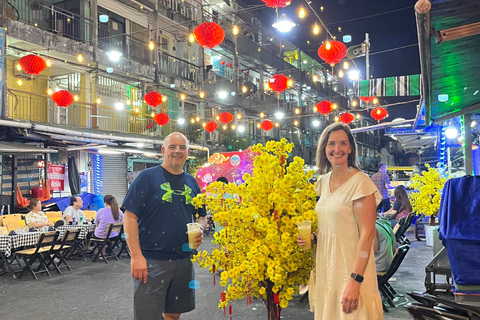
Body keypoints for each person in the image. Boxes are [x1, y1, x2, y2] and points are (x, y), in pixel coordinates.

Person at [297, 123, 383, 319]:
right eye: (332, 144)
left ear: (351, 148)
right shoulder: (322, 183)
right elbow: (333, 225)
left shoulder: (360, 184)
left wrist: (355, 280)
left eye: (343, 143)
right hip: (327, 271)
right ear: (324, 149)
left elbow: (367, 234)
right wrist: (313, 237)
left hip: (351, 271)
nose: (337, 149)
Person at [122, 132, 207, 320]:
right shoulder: (147, 177)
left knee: (173, 314)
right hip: (152, 260)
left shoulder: (192, 182)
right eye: (172, 147)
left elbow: (201, 216)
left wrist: (200, 228)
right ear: (163, 151)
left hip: (183, 259)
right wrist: (136, 257)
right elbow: (129, 217)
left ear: (188, 152)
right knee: (148, 315)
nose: (177, 151)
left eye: (182, 147)